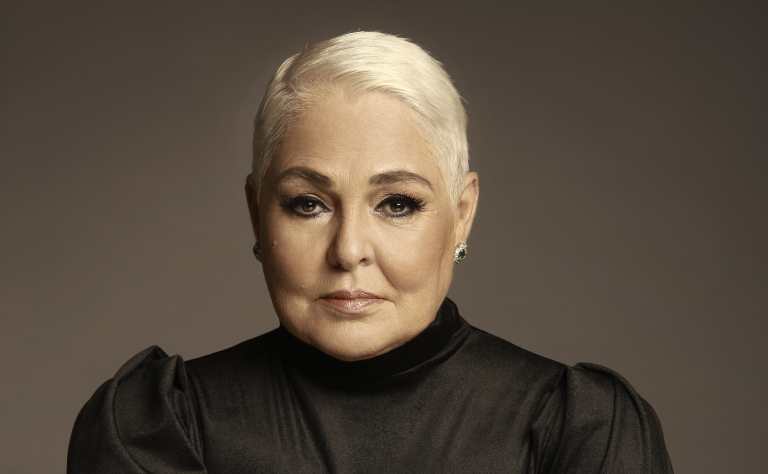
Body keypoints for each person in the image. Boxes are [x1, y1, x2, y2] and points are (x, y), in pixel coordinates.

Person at [67, 31, 674, 473]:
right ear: (257, 212)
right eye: (308, 204)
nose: (349, 249)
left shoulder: (579, 429)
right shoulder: (157, 425)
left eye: (397, 204)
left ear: (462, 214)